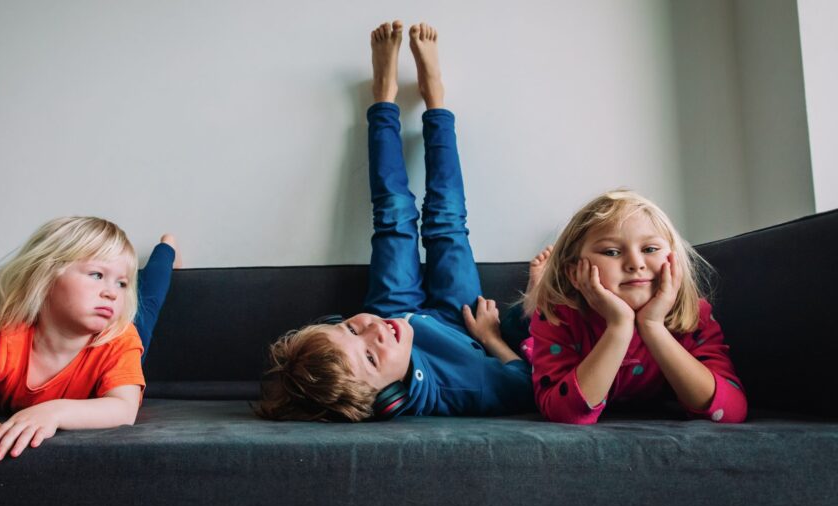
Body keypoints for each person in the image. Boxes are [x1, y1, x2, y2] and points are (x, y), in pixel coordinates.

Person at [255, 21, 534, 422]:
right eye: (369, 356)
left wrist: (372, 339)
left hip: (397, 306)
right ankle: (435, 99)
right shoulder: (464, 384)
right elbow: (525, 385)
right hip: (461, 323)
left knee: (392, 213)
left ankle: (382, 97)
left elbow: (375, 328)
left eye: (350, 330)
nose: (373, 330)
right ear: (388, 399)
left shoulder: (381, 322)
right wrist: (490, 338)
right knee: (447, 219)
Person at [0, 216, 176, 460]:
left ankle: (167, 248)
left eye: (122, 283)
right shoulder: (6, 342)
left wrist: (54, 412)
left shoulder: (121, 338)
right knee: (147, 301)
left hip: (115, 334)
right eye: (97, 275)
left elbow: (123, 409)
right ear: (45, 278)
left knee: (148, 302)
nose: (113, 293)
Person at [523, 190, 747, 424]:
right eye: (612, 252)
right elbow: (564, 413)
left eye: (650, 249)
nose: (636, 264)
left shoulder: (695, 314)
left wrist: (653, 326)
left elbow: (730, 411)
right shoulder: (558, 316)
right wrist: (619, 326)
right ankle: (508, 328)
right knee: (525, 353)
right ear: (575, 273)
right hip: (543, 338)